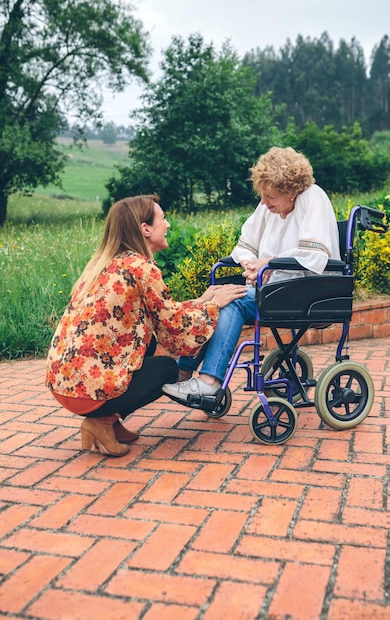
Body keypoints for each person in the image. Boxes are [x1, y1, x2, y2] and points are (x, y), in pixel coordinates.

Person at [45, 195, 247, 457]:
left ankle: (111, 421)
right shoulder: (141, 267)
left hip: (65, 383)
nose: (168, 225)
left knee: (148, 343)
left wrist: (201, 300)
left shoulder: (107, 263)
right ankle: (101, 422)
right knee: (166, 370)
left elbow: (162, 313)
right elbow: (173, 327)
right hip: (87, 392)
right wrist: (214, 306)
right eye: (163, 218)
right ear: (146, 229)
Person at [162, 146, 341, 402]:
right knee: (221, 295)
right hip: (276, 289)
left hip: (308, 292)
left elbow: (314, 255)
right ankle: (183, 371)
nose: (265, 202)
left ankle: (208, 382)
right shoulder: (269, 205)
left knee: (231, 300)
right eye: (263, 195)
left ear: (291, 192)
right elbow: (246, 245)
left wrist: (268, 264)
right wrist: (251, 265)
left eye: (270, 196)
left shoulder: (313, 198)